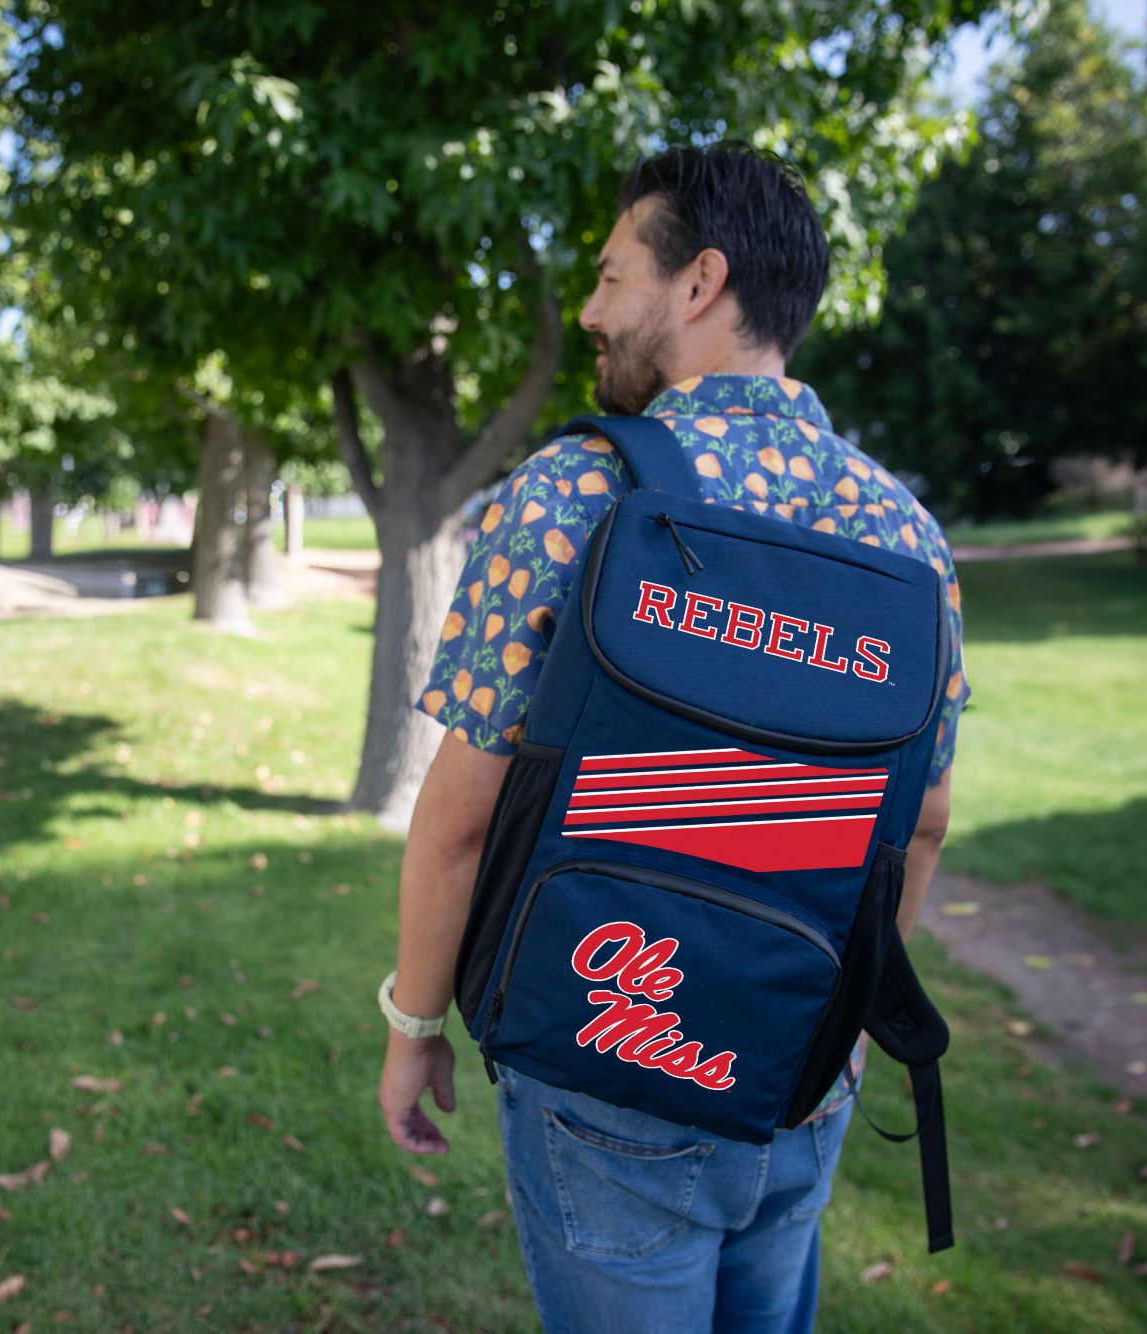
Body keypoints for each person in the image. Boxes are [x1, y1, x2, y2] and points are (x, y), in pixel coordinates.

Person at [375, 142, 973, 1332]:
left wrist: (412, 1027)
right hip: (799, 1072)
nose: (589, 311)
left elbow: (459, 821)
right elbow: (923, 822)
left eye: (609, 276)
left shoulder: (571, 491)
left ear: (698, 282)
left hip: (610, 1054)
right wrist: (832, 1022)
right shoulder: (904, 533)